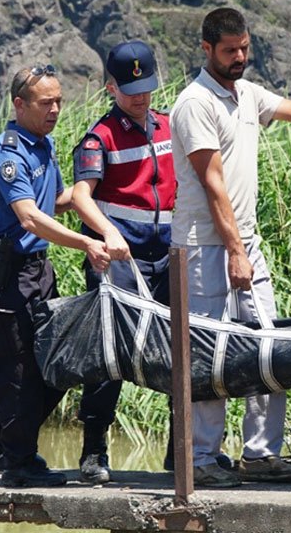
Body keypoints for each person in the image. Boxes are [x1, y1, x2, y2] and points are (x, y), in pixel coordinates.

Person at [170, 7, 291, 487]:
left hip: (245, 242)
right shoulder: (195, 103)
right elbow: (212, 183)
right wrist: (234, 251)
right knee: (208, 351)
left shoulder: (245, 92)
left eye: (244, 48)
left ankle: (259, 454)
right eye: (230, 50)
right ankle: (202, 459)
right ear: (206, 49)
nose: (239, 57)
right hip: (202, 247)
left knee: (265, 345)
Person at [0, 64, 113, 488]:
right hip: (0, 273)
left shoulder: (43, 146)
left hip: (35, 271)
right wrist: (87, 243)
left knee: (57, 363)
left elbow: (56, 201)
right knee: (15, 369)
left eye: (59, 102)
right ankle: (18, 462)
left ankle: (10, 440)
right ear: (19, 105)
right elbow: (30, 217)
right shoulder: (8, 152)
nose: (55, 110)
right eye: (46, 103)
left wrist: (98, 188)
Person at [69, 39, 176, 484]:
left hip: (170, 259)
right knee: (108, 357)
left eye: (147, 87)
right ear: (110, 86)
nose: (140, 96)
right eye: (130, 88)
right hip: (120, 263)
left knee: (180, 355)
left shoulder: (172, 127)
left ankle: (182, 453)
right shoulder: (100, 137)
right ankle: (93, 451)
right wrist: (108, 233)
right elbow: (80, 196)